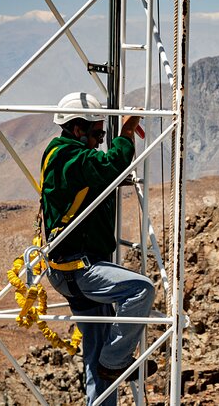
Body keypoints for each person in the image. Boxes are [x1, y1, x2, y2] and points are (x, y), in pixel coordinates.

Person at [41, 92, 156, 406]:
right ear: (77, 129)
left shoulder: (64, 155)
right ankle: (115, 360)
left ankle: (107, 368)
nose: (99, 141)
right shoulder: (70, 157)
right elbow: (112, 165)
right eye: (97, 134)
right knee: (141, 290)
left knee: (94, 354)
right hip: (80, 268)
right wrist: (126, 133)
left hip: (72, 267)